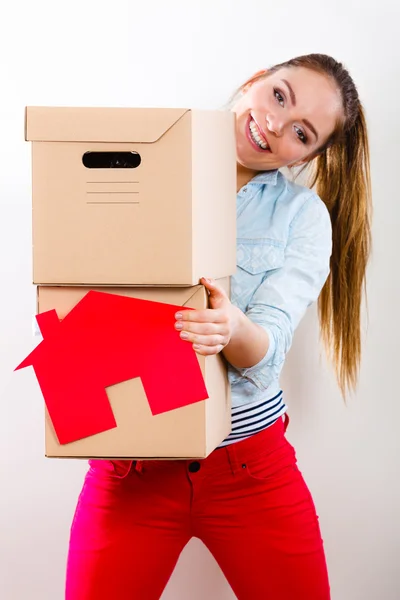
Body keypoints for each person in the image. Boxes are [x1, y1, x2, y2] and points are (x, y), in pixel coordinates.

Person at [66, 53, 371, 600]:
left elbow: (269, 347)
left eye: (302, 133)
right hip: (132, 469)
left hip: (248, 470)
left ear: (308, 156)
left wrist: (232, 327)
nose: (276, 125)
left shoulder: (300, 217)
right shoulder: (136, 162)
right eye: (279, 96)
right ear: (255, 80)